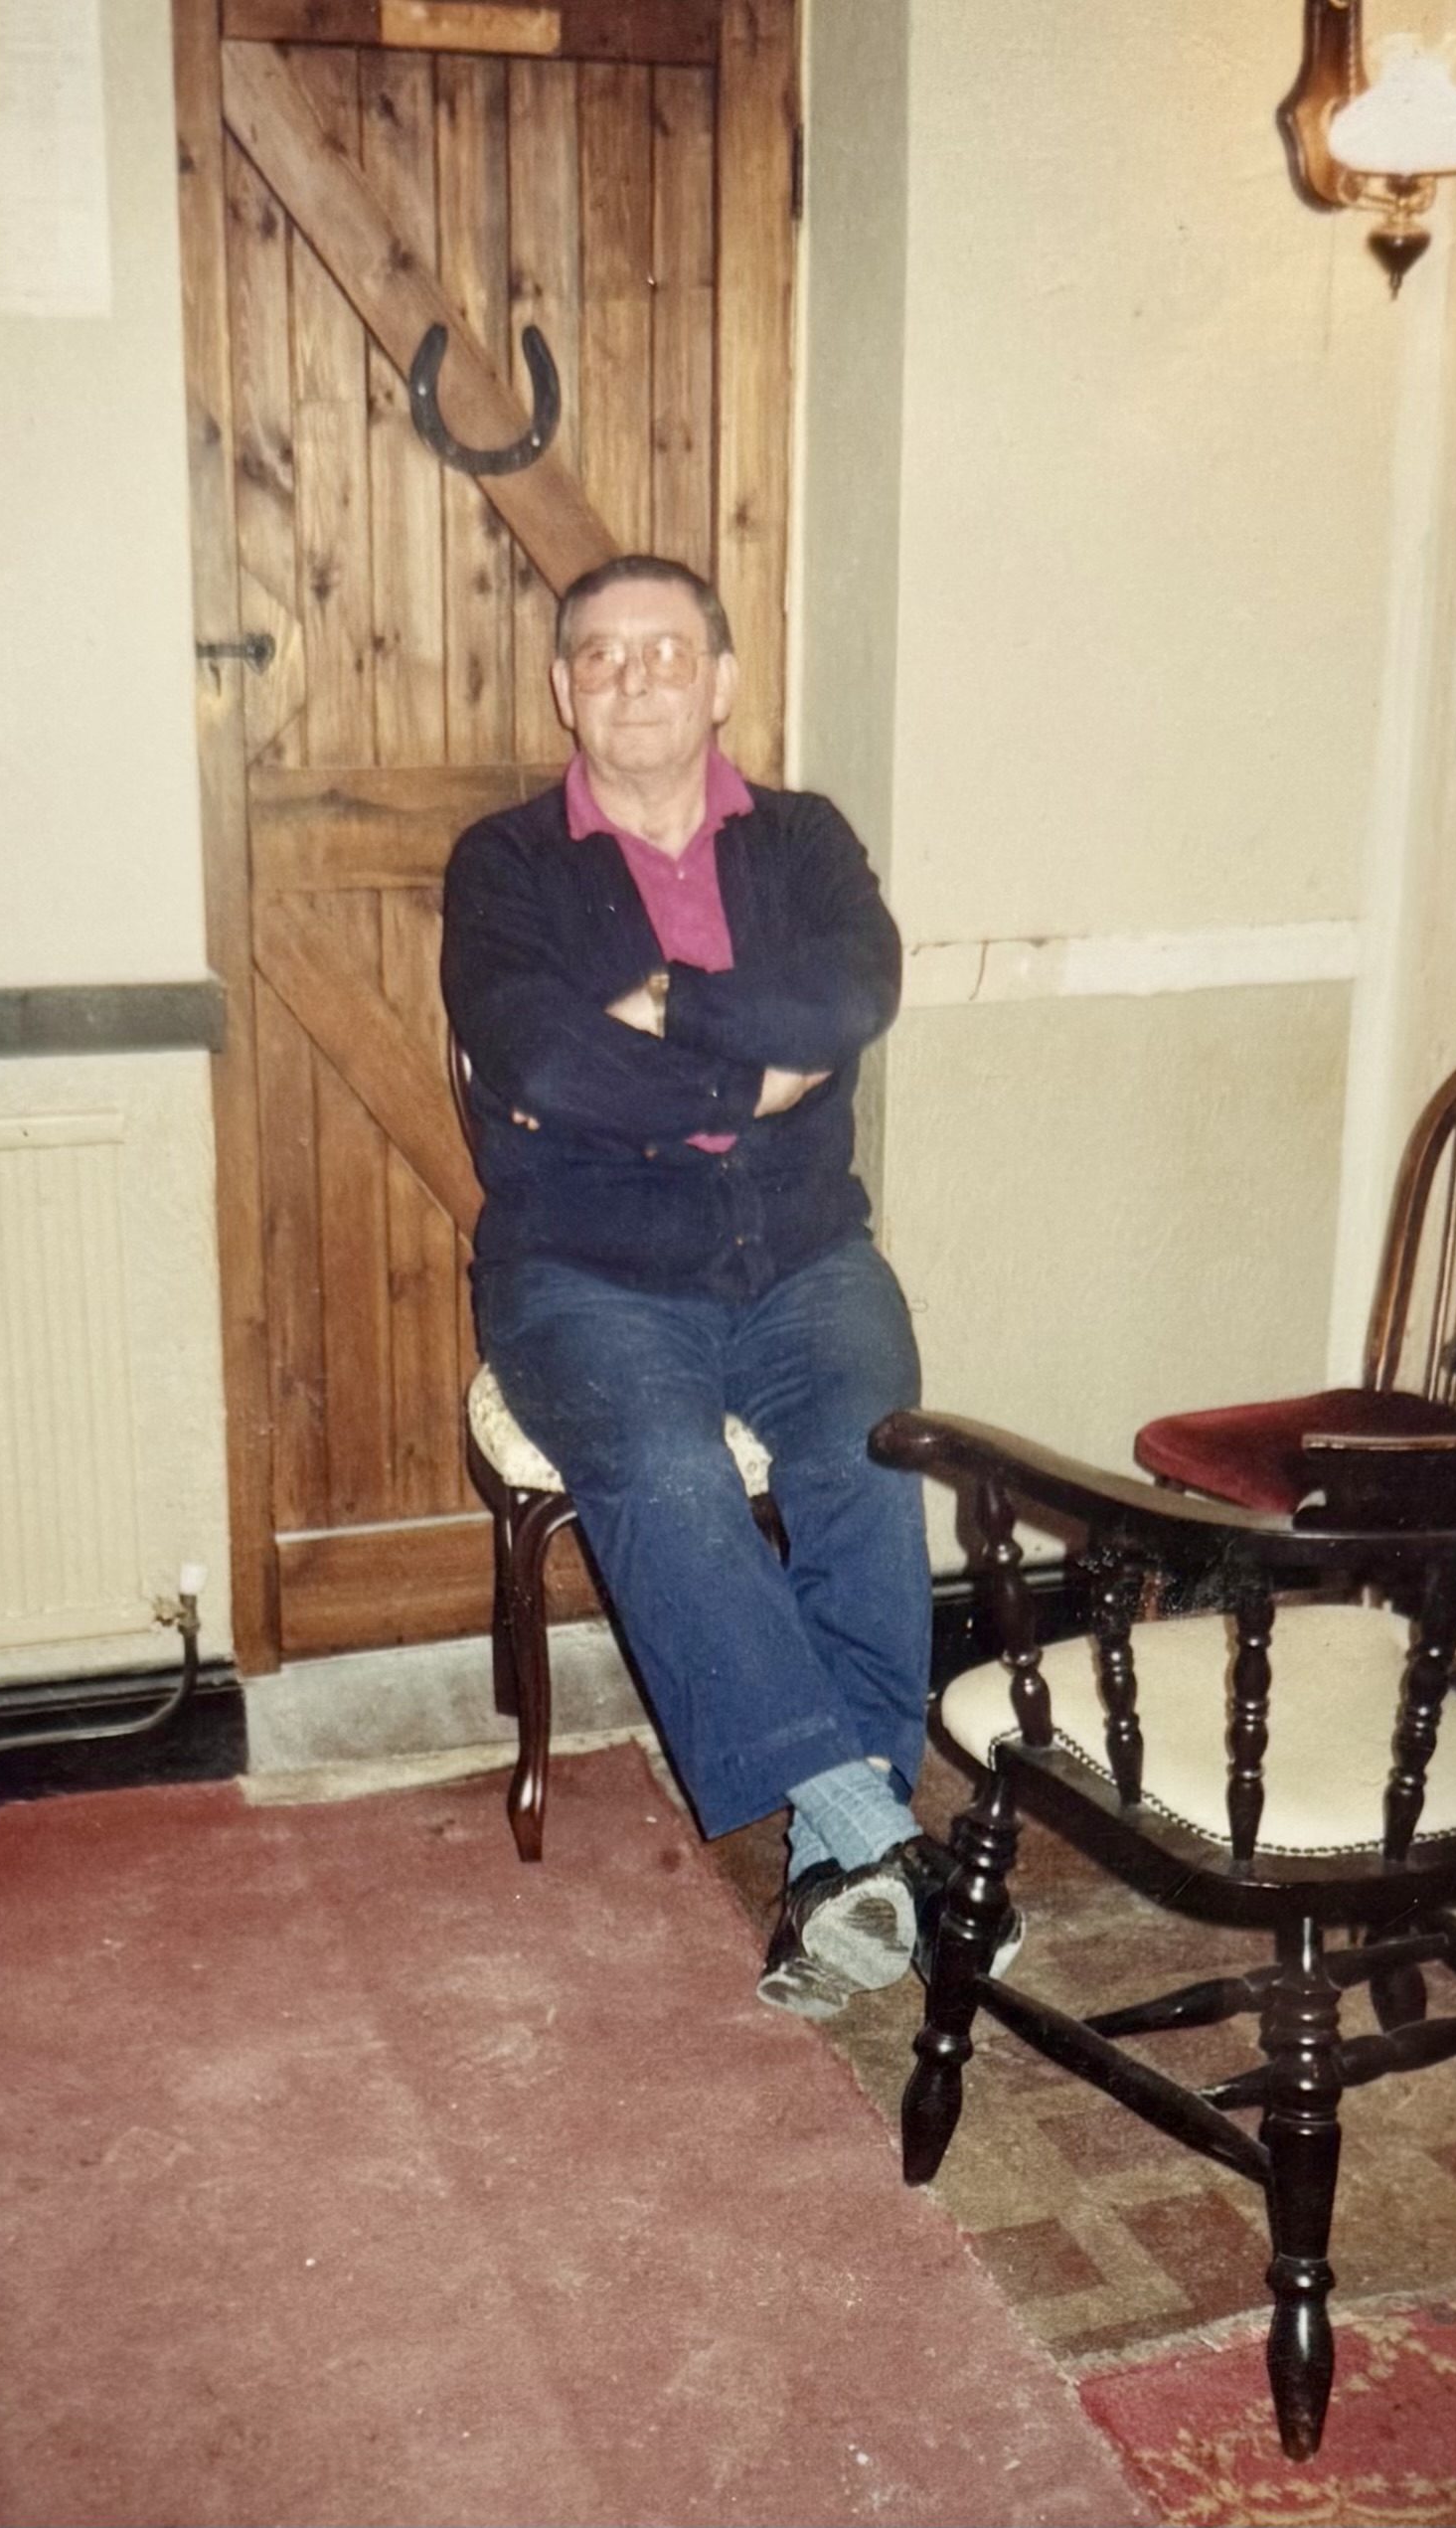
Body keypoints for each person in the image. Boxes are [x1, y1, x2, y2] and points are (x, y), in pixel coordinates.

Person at [441, 554, 940, 2020]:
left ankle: (836, 1866)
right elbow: (533, 1055)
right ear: (562, 690)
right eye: (602, 656)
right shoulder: (506, 865)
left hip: (802, 1251)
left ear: (722, 683)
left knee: (867, 1445)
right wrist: (746, 1074)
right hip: (583, 1270)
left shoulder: (803, 842)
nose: (635, 676)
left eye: (668, 651)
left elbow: (854, 997)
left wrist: (660, 1013)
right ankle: (876, 1836)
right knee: (661, 1470)